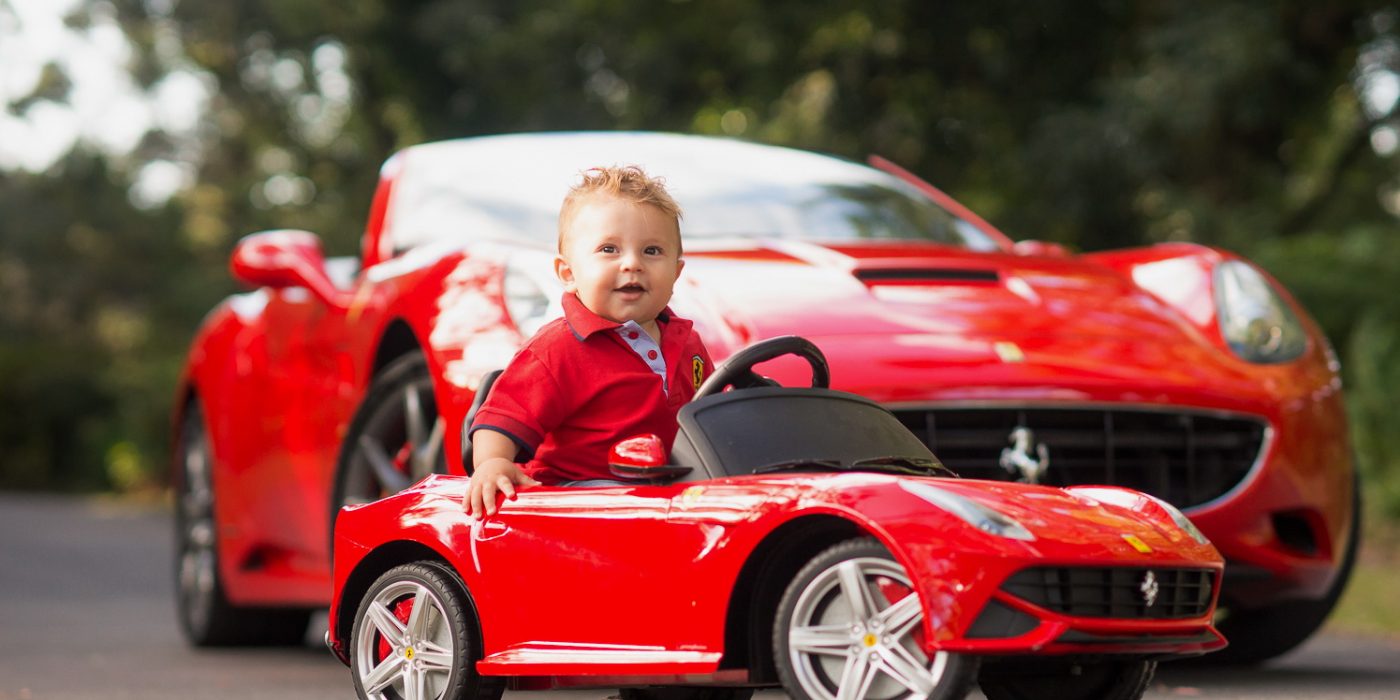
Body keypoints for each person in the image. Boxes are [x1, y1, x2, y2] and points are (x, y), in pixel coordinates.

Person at [465, 165, 712, 517]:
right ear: (568, 273)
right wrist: (493, 463)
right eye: (609, 249)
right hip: (582, 496)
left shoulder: (688, 343)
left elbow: (713, 413)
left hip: (670, 493)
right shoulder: (556, 348)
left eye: (652, 251)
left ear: (676, 272)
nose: (632, 264)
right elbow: (502, 417)